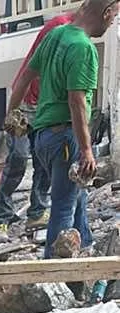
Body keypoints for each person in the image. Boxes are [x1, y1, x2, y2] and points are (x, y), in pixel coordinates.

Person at [8, 0, 120, 258]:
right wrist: (87, 150)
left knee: (76, 193)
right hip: (65, 140)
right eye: (114, 16)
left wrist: (11, 116)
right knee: (63, 207)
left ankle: (85, 253)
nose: (113, 21)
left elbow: (25, 77)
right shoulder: (83, 48)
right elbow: (77, 102)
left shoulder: (57, 33)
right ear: (105, 13)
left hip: (43, 137)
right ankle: (52, 276)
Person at [0, 10, 77, 242]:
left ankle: (37, 212)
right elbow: (31, 68)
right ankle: (2, 217)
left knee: (43, 160)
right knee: (17, 157)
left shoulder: (82, 39)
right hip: (27, 101)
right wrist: (13, 112)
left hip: (46, 106)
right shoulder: (59, 27)